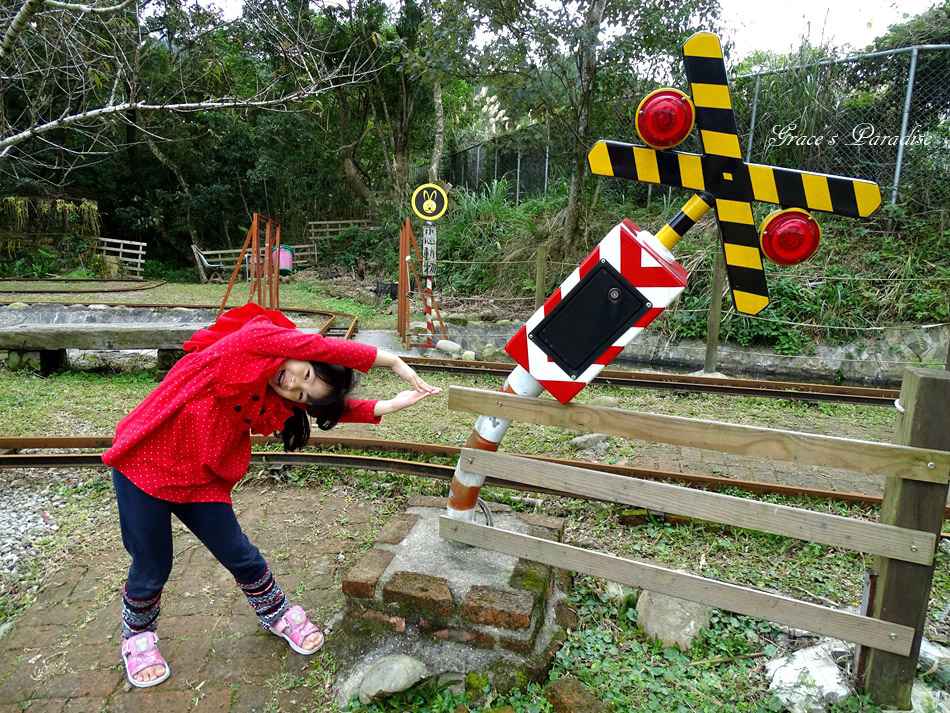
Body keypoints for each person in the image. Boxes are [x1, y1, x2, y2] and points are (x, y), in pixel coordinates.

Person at [101, 303, 440, 688]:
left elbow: (326, 406)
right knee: (152, 565)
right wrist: (391, 360)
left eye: (303, 392)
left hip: (200, 478)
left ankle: (275, 612)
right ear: (304, 352)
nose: (295, 384)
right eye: (306, 373)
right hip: (144, 463)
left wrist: (389, 405)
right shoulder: (253, 343)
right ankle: (138, 636)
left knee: (240, 554)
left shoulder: (278, 395)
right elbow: (326, 349)